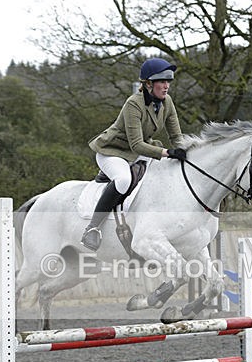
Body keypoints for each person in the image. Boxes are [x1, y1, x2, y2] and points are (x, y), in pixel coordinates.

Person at [80, 57, 188, 251]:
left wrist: (184, 153)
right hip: (114, 151)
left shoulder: (167, 102)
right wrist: (167, 152)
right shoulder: (134, 104)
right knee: (123, 180)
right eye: (162, 82)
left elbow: (176, 136)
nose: (166, 86)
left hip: (140, 150)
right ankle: (92, 228)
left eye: (168, 82)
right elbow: (137, 145)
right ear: (148, 84)